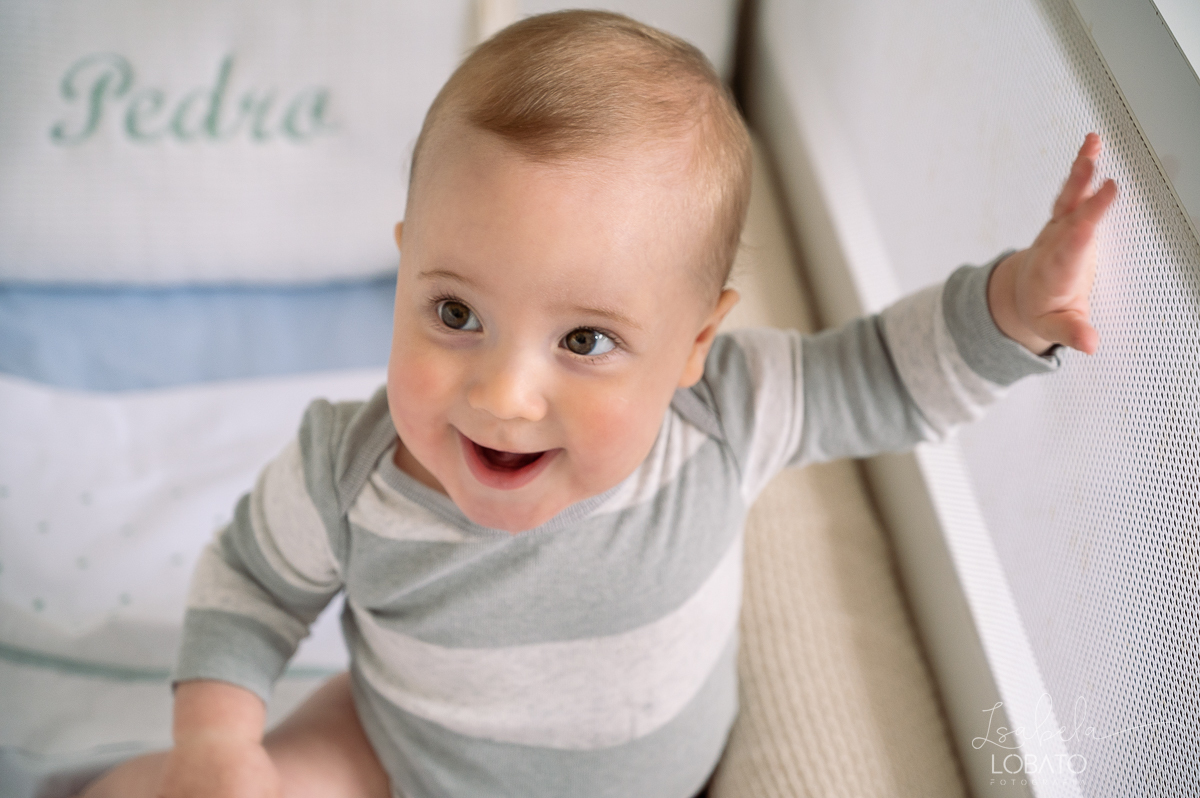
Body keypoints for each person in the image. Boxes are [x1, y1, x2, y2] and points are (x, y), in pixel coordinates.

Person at [82, 10, 1117, 798]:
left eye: (584, 341)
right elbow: (251, 586)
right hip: (398, 760)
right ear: (404, 271)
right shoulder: (347, 473)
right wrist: (215, 742)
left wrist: (1015, 304)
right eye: (454, 312)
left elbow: (883, 377)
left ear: (693, 346)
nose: (503, 394)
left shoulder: (724, 417)